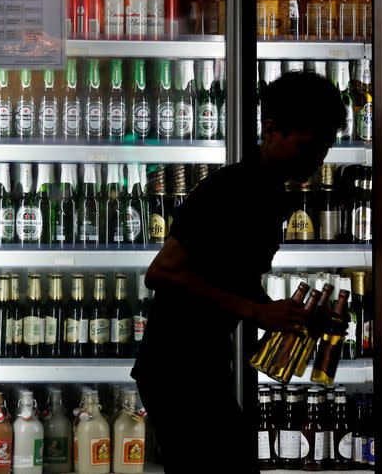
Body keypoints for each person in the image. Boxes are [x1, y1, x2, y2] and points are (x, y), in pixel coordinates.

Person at [131, 70, 347, 472]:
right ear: (271, 130)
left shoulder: (268, 192)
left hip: (202, 365)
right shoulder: (230, 189)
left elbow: (231, 280)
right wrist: (258, 312)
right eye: (309, 142)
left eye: (326, 145)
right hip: (176, 369)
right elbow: (161, 273)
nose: (318, 156)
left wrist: (286, 314)